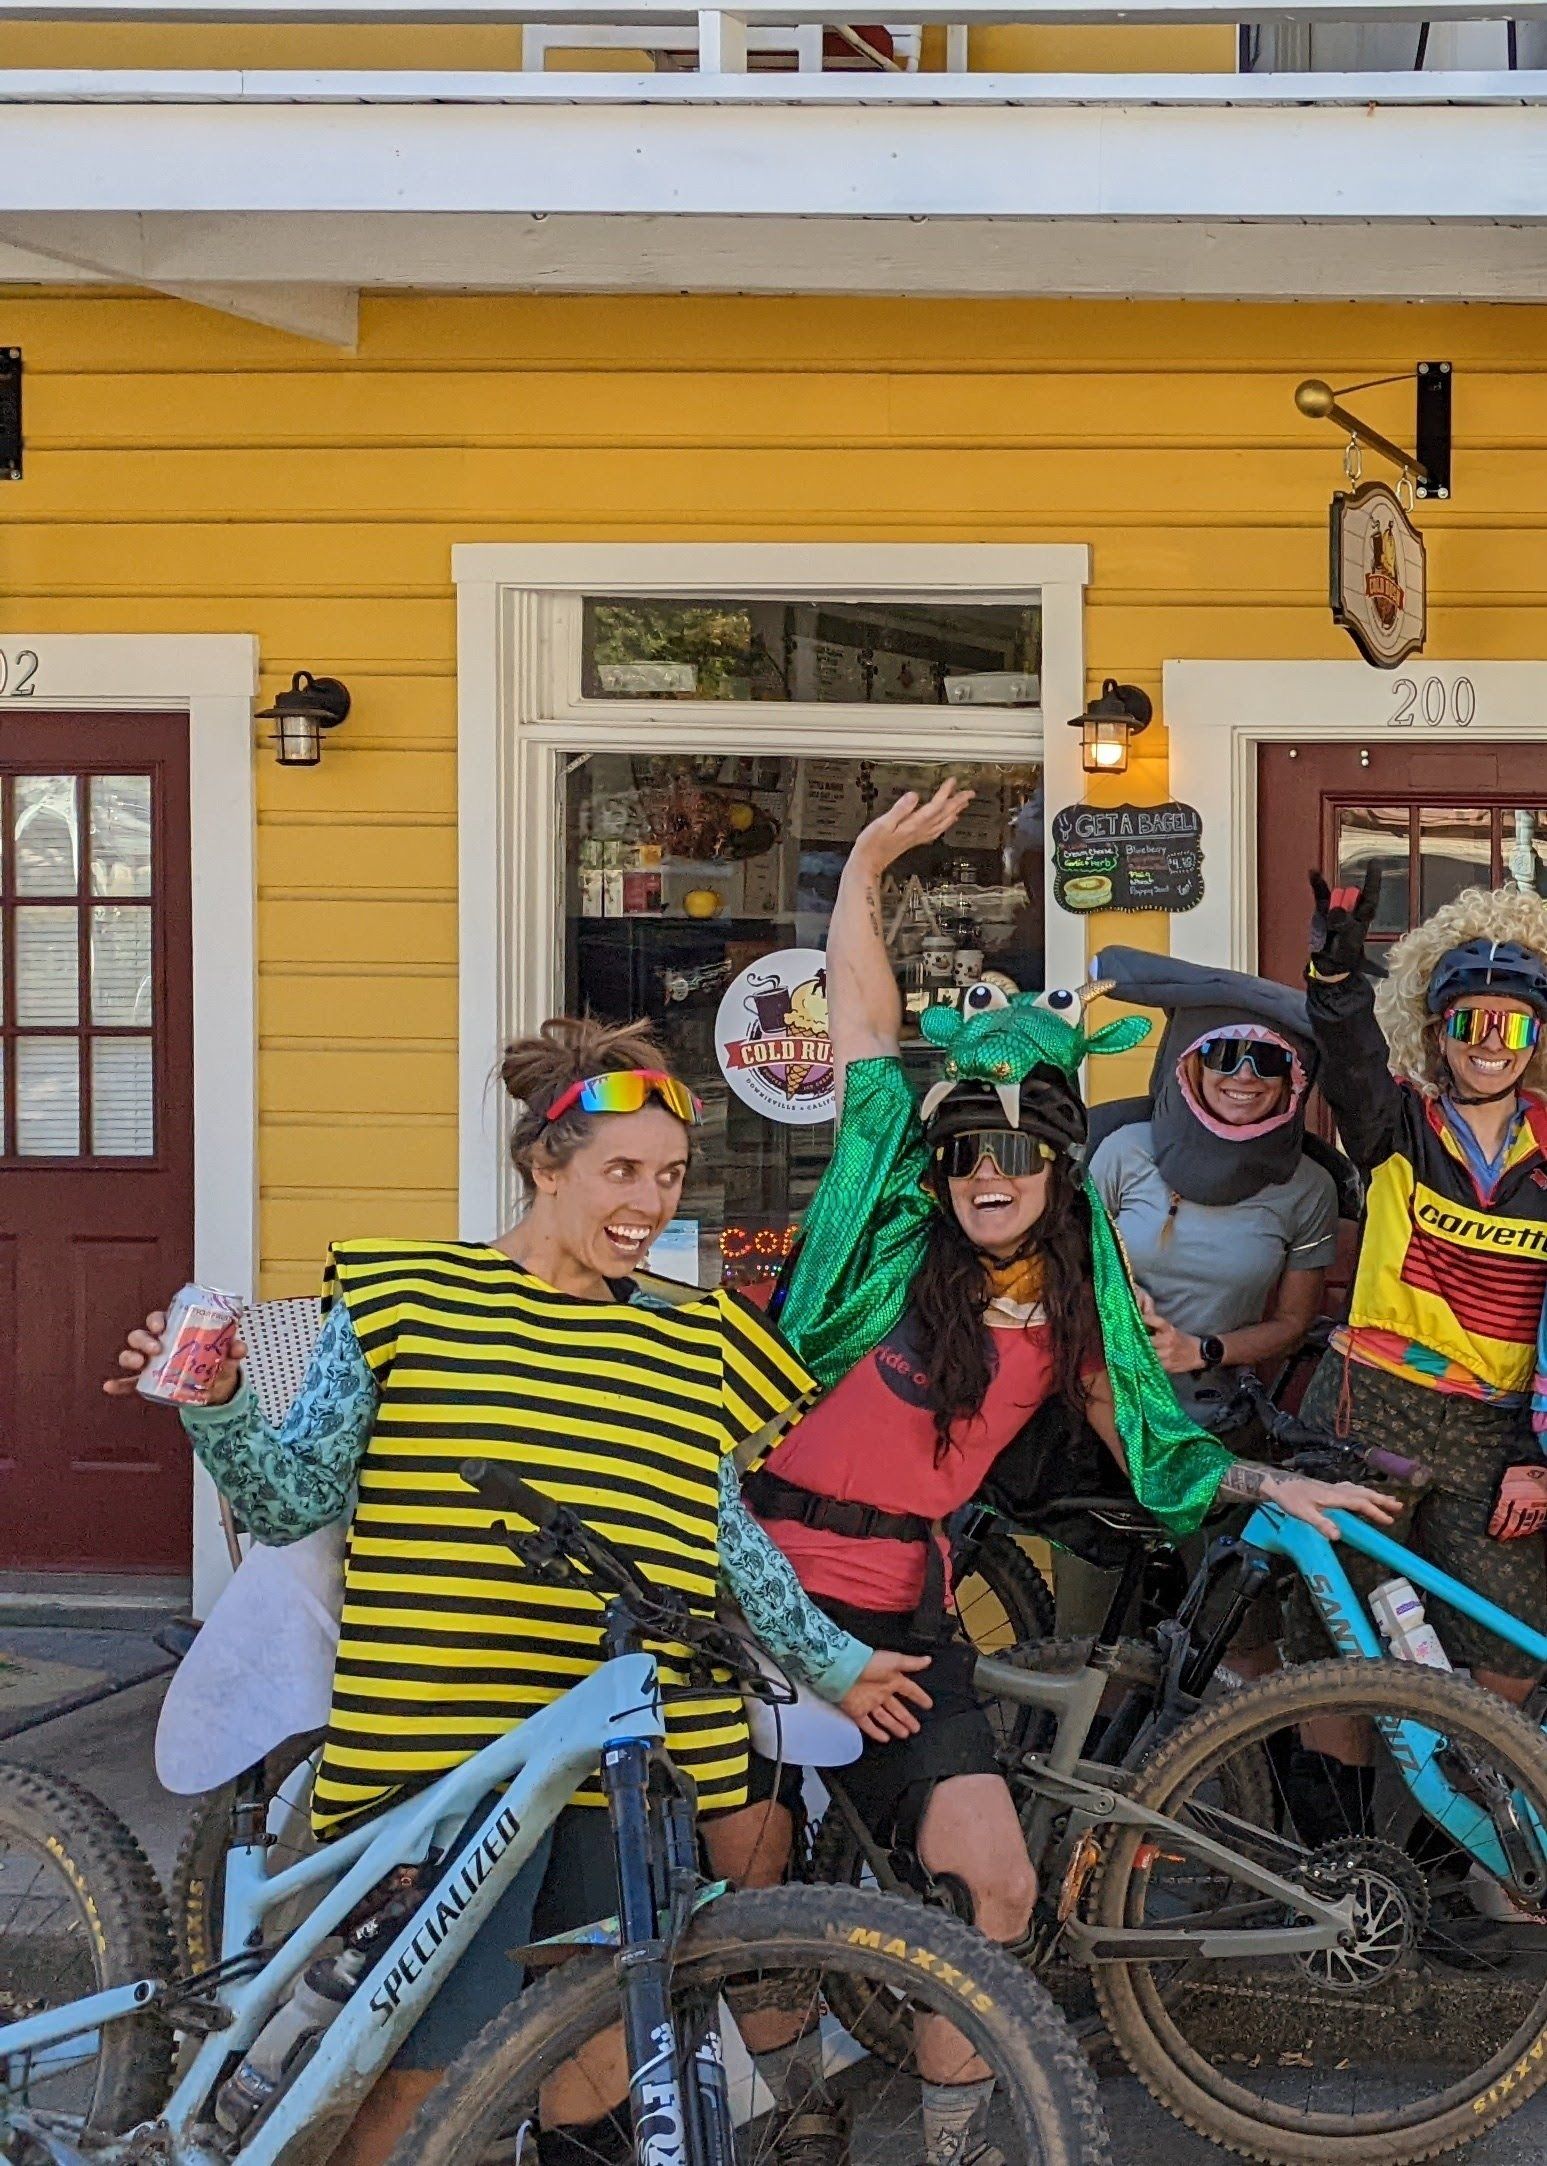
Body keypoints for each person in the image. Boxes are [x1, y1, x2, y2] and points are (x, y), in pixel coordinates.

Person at [107, 1015, 927, 2166]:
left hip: (616, 1757)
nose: (649, 1201)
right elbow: (293, 1501)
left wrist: (834, 1663)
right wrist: (222, 1402)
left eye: (670, 1175)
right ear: (546, 1168)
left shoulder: (691, 1345)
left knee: (591, 2059)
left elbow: (723, 1535)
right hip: (444, 1752)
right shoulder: (409, 1298)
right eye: (620, 1172)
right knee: (420, 2073)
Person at [738, 784, 1397, 2166]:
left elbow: (1146, 1433)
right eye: (964, 1151)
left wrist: (1278, 1492)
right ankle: (795, 2113)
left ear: (1056, 1169)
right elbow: (864, 1037)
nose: (986, 1175)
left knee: (990, 1880)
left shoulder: (1074, 1303)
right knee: (754, 1887)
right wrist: (860, 867)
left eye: (1016, 1155)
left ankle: (954, 2140)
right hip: (742, 1591)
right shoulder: (879, 1236)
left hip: (898, 1613)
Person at [1298, 868, 1547, 1708]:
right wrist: (1334, 981)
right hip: (1372, 1405)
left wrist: (1533, 1458)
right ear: (1436, 1032)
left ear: (1534, 1036)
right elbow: (1349, 1059)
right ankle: (1343, 1834)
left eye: (1512, 1021)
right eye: (1468, 1021)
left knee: (1511, 1642)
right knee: (1347, 1645)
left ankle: (1470, 1837)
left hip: (1495, 1429)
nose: (1490, 1039)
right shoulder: (1394, 1121)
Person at [1070, 950, 1346, 1659]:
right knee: (1091, 1635)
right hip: (1102, 1416)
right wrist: (1111, 1293)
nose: (1243, 1078)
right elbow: (1062, 1271)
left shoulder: (1306, 1188)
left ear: (1294, 1080)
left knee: (1236, 1637)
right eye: (1223, 1055)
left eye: (1267, 1063)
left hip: (1214, 1422)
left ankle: (1236, 1766)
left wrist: (1202, 1349)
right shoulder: (1123, 1154)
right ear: (1185, 1067)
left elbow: (1290, 1325)